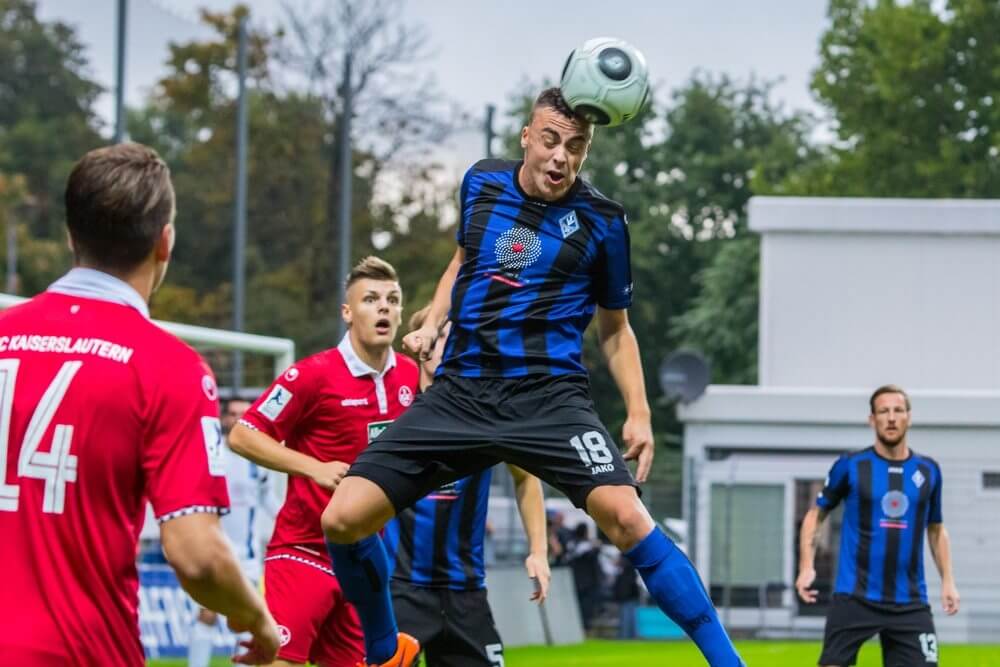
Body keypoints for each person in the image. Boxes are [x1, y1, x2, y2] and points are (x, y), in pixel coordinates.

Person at [321, 88, 744, 667]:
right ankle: (383, 648)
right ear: (526, 136)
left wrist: (639, 411)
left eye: (576, 146)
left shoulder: (603, 221)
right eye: (550, 140)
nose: (560, 157)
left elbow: (616, 330)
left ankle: (729, 661)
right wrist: (433, 320)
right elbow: (463, 261)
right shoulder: (480, 182)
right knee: (342, 518)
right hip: (462, 393)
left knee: (628, 518)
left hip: (549, 399)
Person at [0, 143, 279, 665]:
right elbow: (196, 555)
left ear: (70, 235)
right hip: (79, 652)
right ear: (164, 242)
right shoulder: (167, 367)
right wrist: (259, 619)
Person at [229, 256, 419, 667]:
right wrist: (313, 467)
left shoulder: (409, 377)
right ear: (348, 313)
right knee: (279, 662)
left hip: (365, 561)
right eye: (370, 299)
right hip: (303, 551)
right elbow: (243, 434)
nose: (383, 307)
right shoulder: (312, 375)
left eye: (392, 299)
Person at [382, 305, 550, 667]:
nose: (452, 344)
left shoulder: (485, 413)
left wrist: (539, 550)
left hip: (467, 593)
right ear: (421, 344)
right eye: (444, 335)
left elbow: (526, 478)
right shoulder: (392, 412)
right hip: (401, 591)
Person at [796, 384, 960, 666]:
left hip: (910, 602)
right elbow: (815, 515)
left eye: (898, 410)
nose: (891, 418)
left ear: (909, 416)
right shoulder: (851, 466)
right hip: (854, 596)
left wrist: (948, 581)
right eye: (883, 411)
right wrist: (806, 566)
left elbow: (935, 528)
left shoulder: (928, 470)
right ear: (872, 419)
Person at [189, 398, 282, 667]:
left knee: (244, 617)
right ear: (223, 417)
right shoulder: (211, 456)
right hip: (215, 549)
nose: (237, 418)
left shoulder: (258, 460)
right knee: (208, 612)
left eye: (243, 413)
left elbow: (269, 501)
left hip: (248, 556)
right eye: (232, 413)